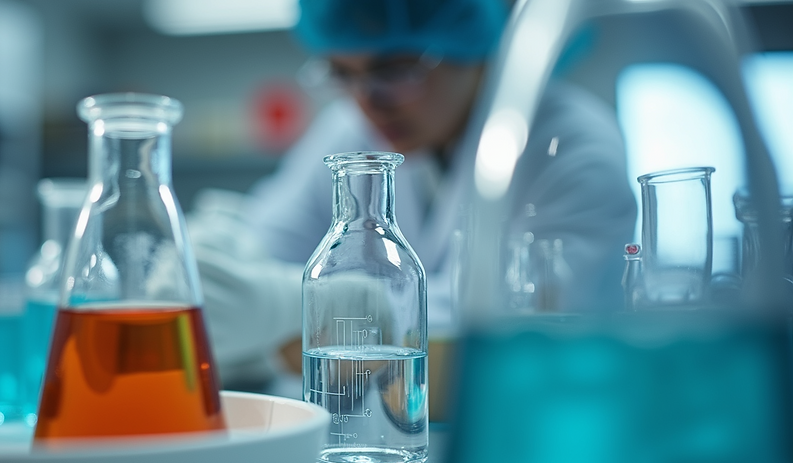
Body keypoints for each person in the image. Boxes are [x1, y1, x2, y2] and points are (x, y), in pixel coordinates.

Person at [188, 0, 637, 388]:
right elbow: (263, 240)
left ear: (473, 42)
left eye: (396, 69)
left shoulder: (571, 147)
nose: (368, 100)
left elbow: (504, 331)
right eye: (342, 73)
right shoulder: (351, 132)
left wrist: (290, 317)